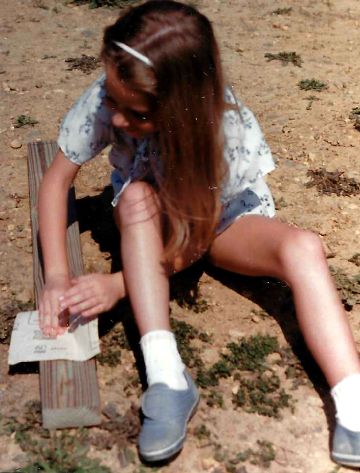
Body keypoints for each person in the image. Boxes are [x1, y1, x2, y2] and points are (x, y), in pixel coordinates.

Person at [37, 0, 360, 466]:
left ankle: (352, 399)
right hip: (152, 216)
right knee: (135, 199)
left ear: (184, 106)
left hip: (219, 225)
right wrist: (55, 277)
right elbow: (56, 181)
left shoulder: (224, 131)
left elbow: (197, 240)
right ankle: (167, 377)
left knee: (304, 247)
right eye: (113, 101)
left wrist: (119, 284)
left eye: (138, 114)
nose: (119, 119)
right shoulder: (119, 91)